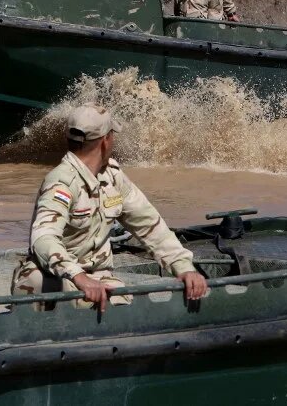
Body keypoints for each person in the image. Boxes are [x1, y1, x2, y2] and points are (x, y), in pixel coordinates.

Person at [11, 104, 208, 310]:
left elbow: (149, 225)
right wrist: (78, 276)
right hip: (56, 275)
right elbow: (43, 238)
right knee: (37, 284)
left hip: (100, 277)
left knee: (120, 307)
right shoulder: (61, 183)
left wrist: (184, 268)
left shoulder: (112, 177)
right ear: (105, 141)